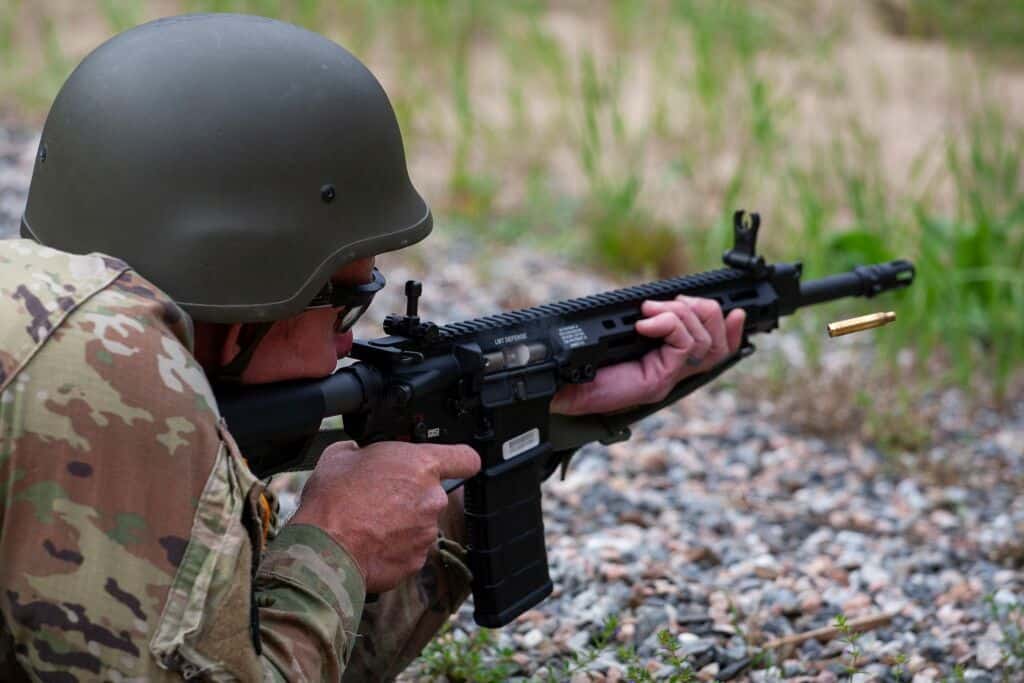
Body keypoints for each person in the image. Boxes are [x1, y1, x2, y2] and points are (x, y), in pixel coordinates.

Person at [0, 13, 746, 682]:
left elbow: (261, 651)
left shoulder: (51, 338)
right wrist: (336, 541)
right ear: (245, 288)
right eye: (345, 301)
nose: (352, 338)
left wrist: (542, 418)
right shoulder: (111, 372)